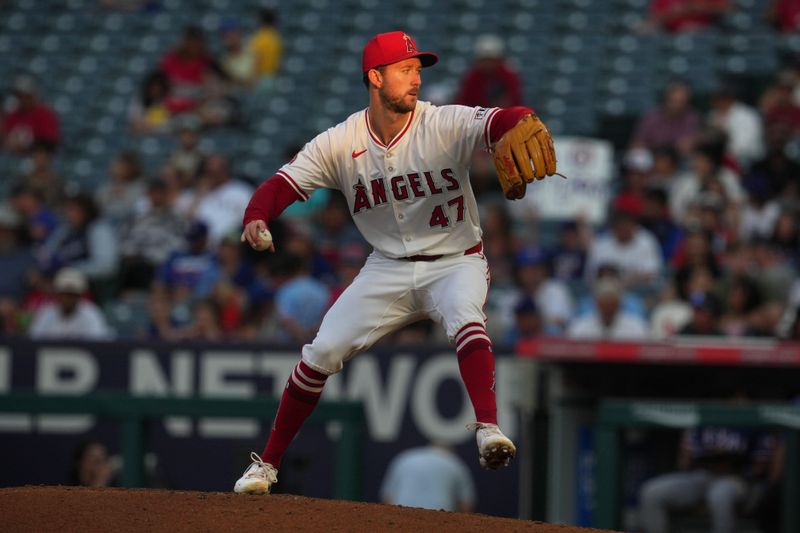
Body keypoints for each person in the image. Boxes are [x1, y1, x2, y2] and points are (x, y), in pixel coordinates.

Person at [234, 30, 560, 494]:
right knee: (320, 353)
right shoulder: (339, 141)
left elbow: (499, 120)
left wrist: (522, 117)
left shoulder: (442, 122)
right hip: (386, 266)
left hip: (455, 259)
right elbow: (282, 184)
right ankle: (265, 465)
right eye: (405, 70)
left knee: (466, 318)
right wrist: (256, 217)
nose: (416, 79)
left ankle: (487, 428)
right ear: (375, 77)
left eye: (418, 71)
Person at [639, 423, 781, 533]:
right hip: (702, 475)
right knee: (651, 492)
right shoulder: (700, 420)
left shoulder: (753, 424)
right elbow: (684, 463)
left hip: (738, 479)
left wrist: (733, 462)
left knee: (719, 495)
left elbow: (760, 466)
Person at [380, 443, 476, 512]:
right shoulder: (455, 463)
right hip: (439, 518)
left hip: (401, 514)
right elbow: (466, 505)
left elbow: (388, 496)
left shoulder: (405, 458)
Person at [28, 268, 112, 340]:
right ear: (57, 294)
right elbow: (34, 339)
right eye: (64, 294)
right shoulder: (46, 312)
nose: (68, 299)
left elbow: (100, 342)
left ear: (79, 296)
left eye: (72, 294)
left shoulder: (91, 313)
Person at [1, 75, 60, 155]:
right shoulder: (11, 116)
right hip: (11, 158)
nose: (23, 99)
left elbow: (50, 143)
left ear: (34, 95)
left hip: (35, 159)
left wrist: (27, 146)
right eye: (20, 96)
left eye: (26, 96)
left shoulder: (45, 115)